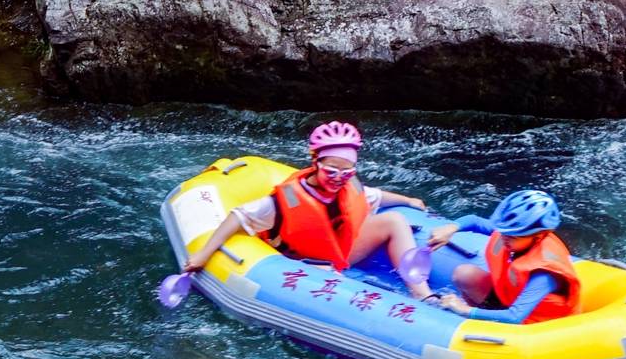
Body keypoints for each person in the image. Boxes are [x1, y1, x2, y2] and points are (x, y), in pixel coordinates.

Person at [183, 122, 443, 305]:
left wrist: (408, 200)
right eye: (331, 171)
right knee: (329, 277)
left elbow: (375, 195)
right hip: (299, 262)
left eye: (347, 172)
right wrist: (204, 253)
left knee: (395, 220)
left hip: (337, 253)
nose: (338, 178)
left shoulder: (349, 187)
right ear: (316, 163)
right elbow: (238, 217)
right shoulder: (284, 202)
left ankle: (422, 294)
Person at [428, 190, 581, 325]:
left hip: (535, 323)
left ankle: (476, 321)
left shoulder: (544, 273)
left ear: (538, 236)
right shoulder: (515, 232)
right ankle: (477, 320)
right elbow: (474, 221)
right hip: (509, 298)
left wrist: (464, 310)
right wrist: (451, 227)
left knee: (467, 310)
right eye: (504, 233)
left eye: (512, 237)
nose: (504, 238)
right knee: (464, 273)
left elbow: (514, 317)